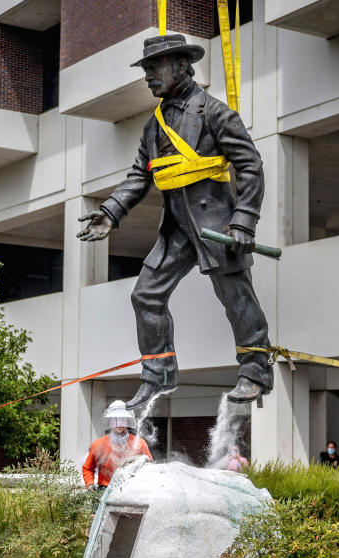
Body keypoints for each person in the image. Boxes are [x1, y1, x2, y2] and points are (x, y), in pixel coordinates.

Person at [77, 33, 272, 410]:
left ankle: (255, 371)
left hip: (218, 223)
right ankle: (159, 374)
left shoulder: (215, 112)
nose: (148, 77)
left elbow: (250, 165)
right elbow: (139, 175)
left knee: (236, 297)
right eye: (146, 70)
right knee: (145, 295)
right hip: (176, 227)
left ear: (181, 65)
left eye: (154, 68)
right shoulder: (154, 125)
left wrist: (244, 221)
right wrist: (111, 212)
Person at [82, 401, 152, 490]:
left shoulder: (139, 443)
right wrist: (90, 484)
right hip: (104, 490)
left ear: (127, 421)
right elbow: (88, 468)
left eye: (122, 419)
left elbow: (149, 467)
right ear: (110, 421)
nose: (118, 424)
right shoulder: (98, 444)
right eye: (115, 420)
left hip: (132, 490)